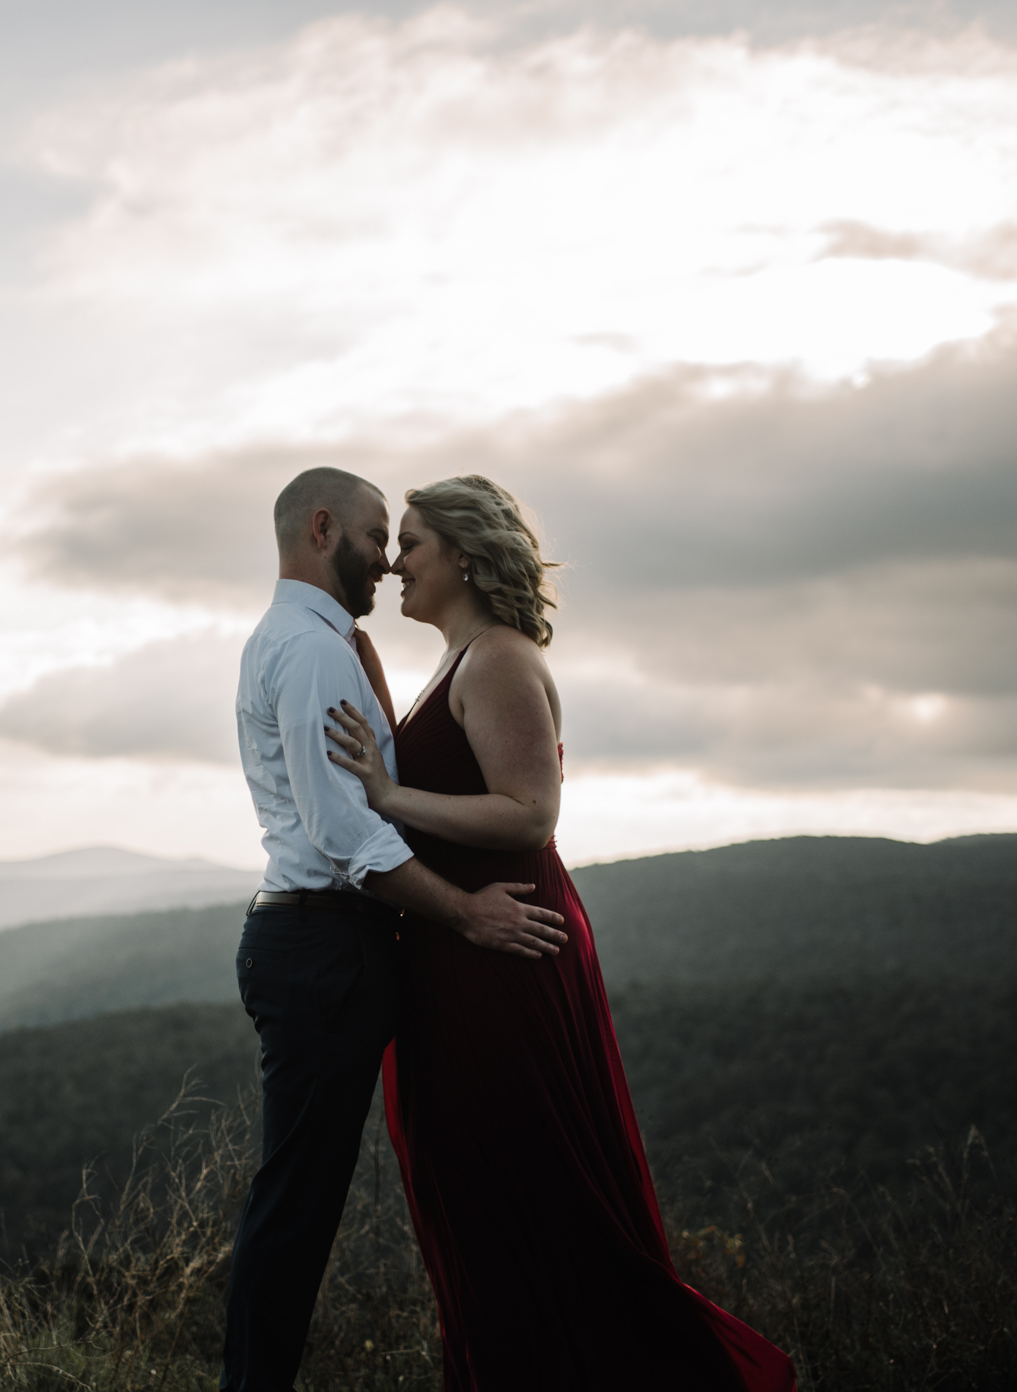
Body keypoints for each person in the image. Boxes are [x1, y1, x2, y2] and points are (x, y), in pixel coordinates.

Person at [323, 475, 796, 1392]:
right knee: (474, 1195)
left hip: (503, 950)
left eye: (411, 543)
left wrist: (386, 794)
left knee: (518, 1191)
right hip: (463, 950)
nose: (393, 562)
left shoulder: (497, 657)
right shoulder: (460, 659)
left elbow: (529, 815)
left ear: (462, 555)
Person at [225, 466, 570, 1392]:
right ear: (323, 527)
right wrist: (463, 912)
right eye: (381, 538)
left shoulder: (332, 645)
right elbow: (345, 834)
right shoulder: (310, 651)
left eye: (403, 543)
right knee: (297, 1205)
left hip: (354, 947)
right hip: (324, 945)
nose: (385, 562)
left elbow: (483, 807)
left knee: (328, 1197)